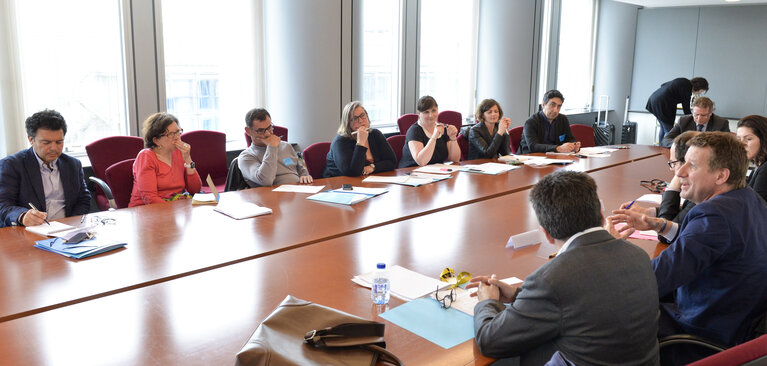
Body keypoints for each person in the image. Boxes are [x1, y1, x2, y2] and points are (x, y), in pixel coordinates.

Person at [469, 170, 659, 365]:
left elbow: (490, 340)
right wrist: (518, 294)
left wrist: (487, 302)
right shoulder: (639, 256)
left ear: (546, 234)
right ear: (602, 217)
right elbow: (582, 299)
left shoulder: (552, 279)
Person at [610, 132, 767, 363]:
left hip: (702, 333)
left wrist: (608, 249)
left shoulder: (714, 215)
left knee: (607, 313)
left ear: (721, 175)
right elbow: (702, 248)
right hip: (737, 321)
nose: (680, 172)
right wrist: (660, 225)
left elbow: (654, 278)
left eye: (691, 166)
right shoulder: (752, 201)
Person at [0, 109, 91, 227]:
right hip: (30, 231)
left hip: (68, 229)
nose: (54, 148)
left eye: (59, 142)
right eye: (46, 142)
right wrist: (22, 216)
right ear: (31, 139)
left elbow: (83, 199)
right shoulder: (11, 165)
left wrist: (71, 224)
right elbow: (3, 205)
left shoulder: (73, 164)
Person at [620, 131, 700, 243]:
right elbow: (687, 213)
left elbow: (666, 236)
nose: (671, 169)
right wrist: (650, 213)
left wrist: (674, 186)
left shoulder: (702, 193)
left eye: (673, 163)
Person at [129, 113, 202, 207]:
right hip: (147, 210)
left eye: (178, 132)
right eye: (171, 134)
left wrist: (188, 159)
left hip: (174, 208)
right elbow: (150, 199)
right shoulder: (146, 157)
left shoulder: (179, 153)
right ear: (156, 140)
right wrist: (176, 211)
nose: (177, 137)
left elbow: (195, 190)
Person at [239, 108, 312, 186]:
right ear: (248, 131)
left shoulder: (286, 146)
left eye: (269, 128)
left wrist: (305, 176)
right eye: (260, 130)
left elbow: (300, 169)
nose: (267, 134)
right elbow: (266, 181)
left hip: (298, 191)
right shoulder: (246, 157)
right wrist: (271, 148)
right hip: (272, 195)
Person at [323, 101, 396, 177]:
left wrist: (373, 167)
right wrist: (360, 142)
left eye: (362, 115)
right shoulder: (340, 142)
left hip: (368, 181)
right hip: (339, 184)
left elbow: (392, 162)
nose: (360, 121)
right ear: (348, 123)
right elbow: (352, 172)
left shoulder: (375, 134)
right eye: (355, 118)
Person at [398, 95, 461, 168]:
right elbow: (421, 161)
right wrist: (434, 136)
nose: (431, 115)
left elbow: (455, 159)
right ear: (419, 114)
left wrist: (453, 138)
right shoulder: (414, 131)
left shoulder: (442, 128)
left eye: (434, 110)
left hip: (435, 172)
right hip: (411, 171)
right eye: (426, 112)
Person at [646, 77, 708, 144]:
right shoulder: (687, 88)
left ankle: (661, 148)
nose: (699, 93)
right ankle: (666, 149)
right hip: (662, 104)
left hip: (654, 99)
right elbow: (686, 108)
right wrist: (692, 121)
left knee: (663, 128)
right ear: (699, 87)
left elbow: (663, 85)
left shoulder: (684, 81)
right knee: (669, 131)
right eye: (701, 91)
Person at [517, 90, 580, 154]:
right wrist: (557, 148)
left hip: (553, 157)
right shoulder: (531, 122)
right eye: (552, 105)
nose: (556, 110)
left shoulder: (562, 119)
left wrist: (574, 145)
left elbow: (570, 138)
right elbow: (533, 146)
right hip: (530, 158)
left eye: (559, 106)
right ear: (543, 105)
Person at [660, 96, 729, 147]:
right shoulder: (683, 121)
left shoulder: (721, 123)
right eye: (696, 114)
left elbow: (727, 145)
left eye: (703, 115)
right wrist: (683, 146)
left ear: (710, 113)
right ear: (693, 111)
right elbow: (666, 140)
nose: (699, 118)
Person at [737, 115, 767, 202]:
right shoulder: (759, 164)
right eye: (739, 139)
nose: (741, 144)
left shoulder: (765, 169)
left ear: (764, 139)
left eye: (748, 139)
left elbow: (754, 205)